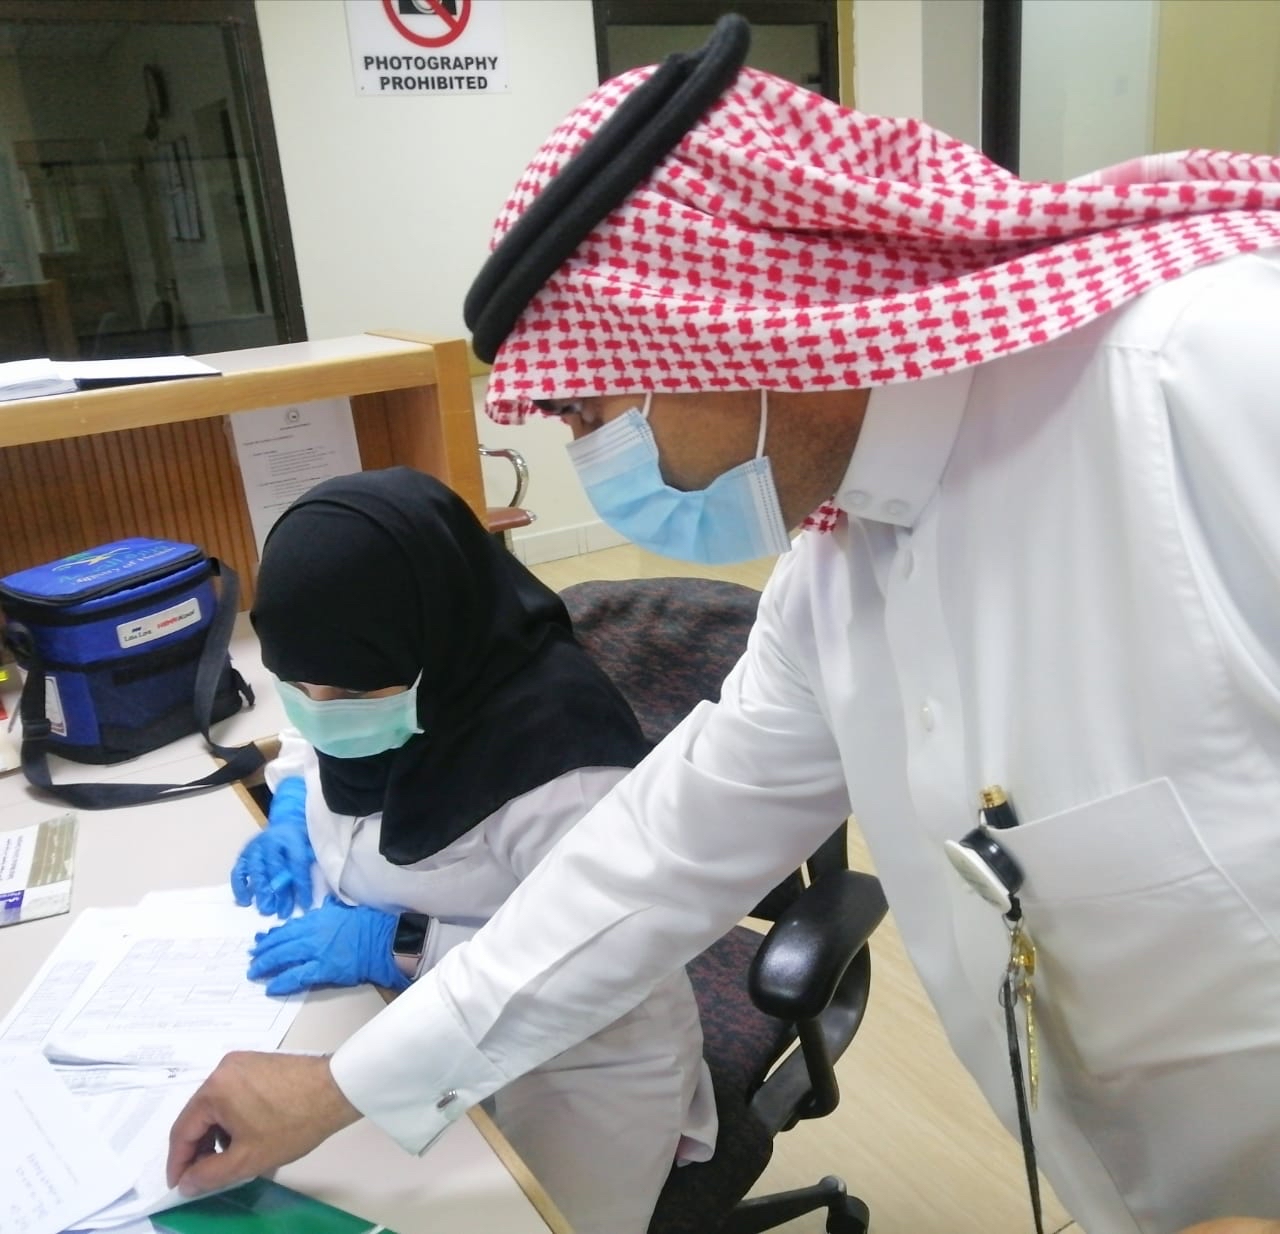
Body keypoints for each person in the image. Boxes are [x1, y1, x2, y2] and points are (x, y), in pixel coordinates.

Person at [170, 19, 1280, 1234]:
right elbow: (651, 860)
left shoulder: (1211, 384)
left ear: (716, 325)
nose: (592, 455)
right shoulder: (835, 578)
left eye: (588, 408)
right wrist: (340, 1085)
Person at [220, 466, 715, 1234]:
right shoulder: (374, 675)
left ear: (432, 642)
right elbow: (313, 743)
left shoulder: (563, 763)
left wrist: (405, 944)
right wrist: (288, 809)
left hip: (573, 1065)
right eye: (298, 686)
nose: (323, 714)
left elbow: (599, 955)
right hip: (390, 1020)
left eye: (347, 695)